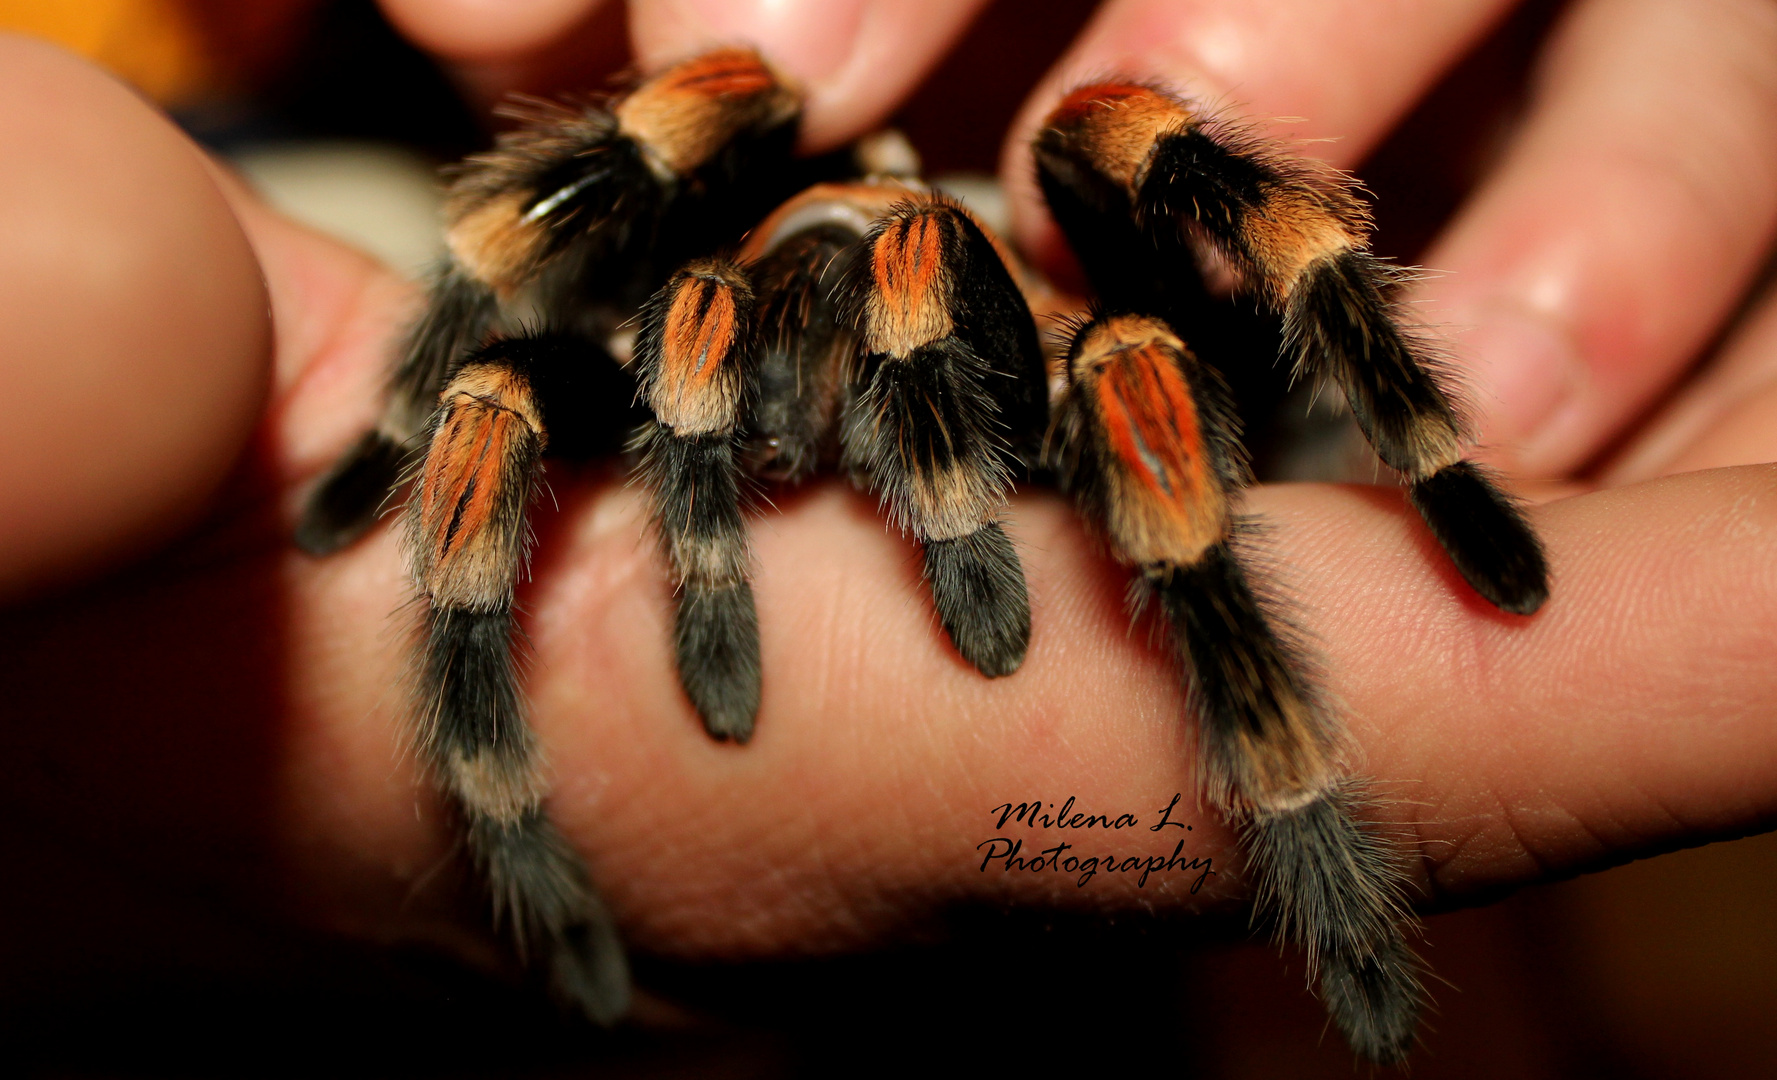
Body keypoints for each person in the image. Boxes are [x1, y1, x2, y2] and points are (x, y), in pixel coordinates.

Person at [2, 0, 1774, 1070]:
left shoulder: (1087, 297)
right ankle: (512, 852)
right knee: (503, 387)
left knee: (1115, 139)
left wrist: (1427, 466)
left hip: (1082, 322)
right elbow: (547, 224)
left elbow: (1243, 214)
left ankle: (1319, 860)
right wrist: (400, 430)